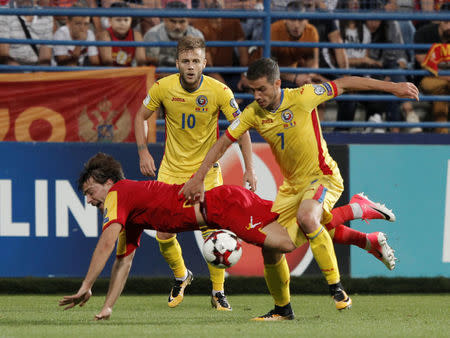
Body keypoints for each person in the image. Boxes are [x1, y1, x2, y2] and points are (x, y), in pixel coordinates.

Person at [181, 57, 419, 320]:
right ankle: (283, 309)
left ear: (277, 83)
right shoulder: (252, 113)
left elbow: (346, 83)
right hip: (291, 188)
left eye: (262, 89)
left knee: (307, 217)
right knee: (270, 246)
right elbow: (223, 142)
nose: (257, 96)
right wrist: (199, 177)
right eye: (252, 90)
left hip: (322, 177)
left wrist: (394, 87)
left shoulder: (304, 96)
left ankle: (337, 288)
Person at [59, 152, 396, 320]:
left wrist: (85, 286)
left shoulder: (119, 193)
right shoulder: (130, 211)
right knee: (300, 224)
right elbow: (123, 259)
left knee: (286, 242)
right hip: (222, 207)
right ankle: (364, 235)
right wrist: (107, 307)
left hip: (224, 207)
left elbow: (105, 243)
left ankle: (356, 208)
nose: (90, 200)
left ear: (107, 182)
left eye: (90, 192)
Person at [134, 36, 256, 311]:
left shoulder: (220, 91)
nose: (190, 66)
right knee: (164, 234)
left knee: (214, 233)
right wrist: (143, 151)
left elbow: (241, 128)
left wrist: (249, 168)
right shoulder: (163, 87)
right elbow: (140, 116)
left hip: (207, 173)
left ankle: (218, 292)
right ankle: (181, 276)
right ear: (178, 62)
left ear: (204, 62)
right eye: (186, 61)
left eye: (196, 61)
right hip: (171, 171)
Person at [191, 0, 249, 95]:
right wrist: (228, 94)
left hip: (233, 72)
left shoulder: (232, 20)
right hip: (208, 76)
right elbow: (208, 67)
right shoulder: (198, 24)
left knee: (250, 89)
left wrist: (244, 75)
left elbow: (243, 49)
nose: (215, 1)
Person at [413, 2, 450, 134]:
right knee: (442, 87)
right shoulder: (424, 33)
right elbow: (423, 62)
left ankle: (443, 132)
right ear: (440, 19)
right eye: (446, 21)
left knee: (442, 92)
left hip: (443, 85)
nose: (449, 26)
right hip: (427, 79)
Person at [143, 0, 204, 68]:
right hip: (160, 75)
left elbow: (198, 64)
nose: (177, 26)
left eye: (182, 22)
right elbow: (151, 64)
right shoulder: (152, 35)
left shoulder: (196, 36)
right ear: (165, 19)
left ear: (188, 20)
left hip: (188, 74)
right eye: (173, 21)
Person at [0, 0, 53, 66]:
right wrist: (23, 75)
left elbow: (45, 56)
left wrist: (39, 74)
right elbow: (3, 55)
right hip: (13, 71)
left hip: (37, 71)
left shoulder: (46, 15)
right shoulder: (3, 13)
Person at [98, 2, 146, 67]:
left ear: (131, 20)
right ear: (110, 20)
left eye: (126, 20)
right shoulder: (105, 36)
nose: (122, 23)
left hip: (128, 73)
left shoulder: (136, 36)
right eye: (118, 20)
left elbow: (141, 63)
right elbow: (108, 64)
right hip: (110, 74)